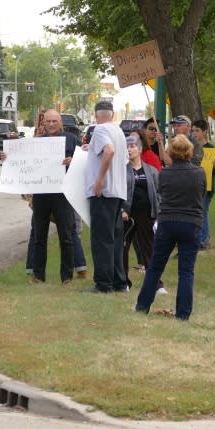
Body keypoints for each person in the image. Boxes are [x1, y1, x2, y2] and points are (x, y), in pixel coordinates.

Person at [3, 109, 83, 284]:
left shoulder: (71, 139)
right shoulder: (36, 143)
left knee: (67, 236)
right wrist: (7, 159)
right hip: (41, 194)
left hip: (63, 194)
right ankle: (38, 275)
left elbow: (85, 162)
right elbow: (22, 163)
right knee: (39, 236)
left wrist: (73, 161)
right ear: (43, 124)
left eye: (55, 121)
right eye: (48, 121)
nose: (52, 124)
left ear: (60, 122)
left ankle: (67, 276)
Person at [135, 135, 206, 320]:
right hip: (191, 223)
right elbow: (201, 194)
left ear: (171, 152)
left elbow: (161, 193)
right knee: (186, 271)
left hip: (167, 222)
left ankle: (142, 306)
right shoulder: (199, 173)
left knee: (155, 267)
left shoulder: (164, 173)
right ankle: (183, 314)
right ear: (189, 152)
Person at [83, 101, 129, 293]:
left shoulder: (100, 130)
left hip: (104, 192)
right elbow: (122, 158)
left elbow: (109, 151)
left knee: (102, 239)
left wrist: (99, 180)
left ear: (97, 115)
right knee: (116, 239)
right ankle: (119, 281)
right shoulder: (118, 132)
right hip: (118, 191)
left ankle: (103, 284)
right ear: (112, 114)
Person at [120, 134, 163, 293]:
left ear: (139, 149)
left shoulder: (151, 171)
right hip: (127, 216)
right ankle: (123, 281)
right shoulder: (121, 170)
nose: (129, 150)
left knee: (149, 249)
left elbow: (159, 193)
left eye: (132, 146)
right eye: (127, 147)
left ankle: (156, 284)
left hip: (147, 215)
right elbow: (117, 193)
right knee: (123, 249)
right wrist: (122, 210)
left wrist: (158, 213)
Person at [192, 119, 215, 249]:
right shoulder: (192, 147)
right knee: (197, 211)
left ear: (204, 132)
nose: (194, 133)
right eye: (193, 130)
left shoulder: (210, 148)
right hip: (195, 185)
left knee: (203, 211)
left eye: (197, 130)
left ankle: (203, 240)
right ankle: (198, 237)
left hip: (207, 186)